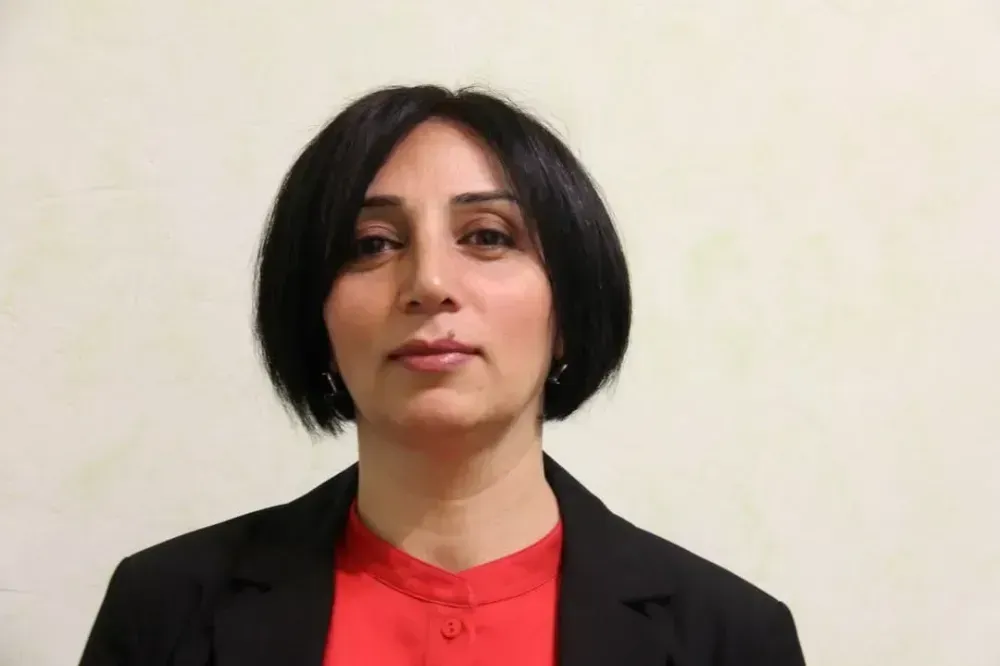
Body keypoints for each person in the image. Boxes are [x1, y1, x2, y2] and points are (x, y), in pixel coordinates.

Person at [79, 85, 807, 666]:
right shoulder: (166, 611)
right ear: (315, 316)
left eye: (487, 236)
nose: (429, 282)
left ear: (569, 310)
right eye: (372, 244)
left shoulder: (731, 638)